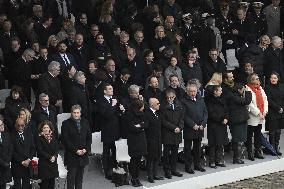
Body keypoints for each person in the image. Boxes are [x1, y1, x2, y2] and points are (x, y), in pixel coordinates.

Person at [97, 84, 124, 180]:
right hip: (107, 130)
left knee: (115, 151)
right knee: (106, 153)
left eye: (112, 88)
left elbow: (117, 113)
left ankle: (115, 168)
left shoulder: (115, 99)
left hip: (116, 129)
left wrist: (121, 110)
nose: (112, 90)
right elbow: (107, 115)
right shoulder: (101, 101)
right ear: (105, 91)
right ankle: (107, 171)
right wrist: (113, 105)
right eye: (109, 89)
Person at [61, 105, 92, 189]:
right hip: (72, 156)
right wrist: (76, 150)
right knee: (71, 180)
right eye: (74, 113)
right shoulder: (65, 124)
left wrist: (86, 149)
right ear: (71, 113)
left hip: (83, 155)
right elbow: (65, 140)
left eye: (78, 113)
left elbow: (89, 137)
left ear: (80, 113)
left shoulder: (85, 122)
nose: (76, 114)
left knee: (79, 179)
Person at [182, 83, 207, 174]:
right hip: (189, 128)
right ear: (187, 92)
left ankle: (197, 165)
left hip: (200, 128)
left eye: (194, 91)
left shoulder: (200, 99)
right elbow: (184, 115)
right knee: (188, 149)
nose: (193, 93)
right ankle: (188, 166)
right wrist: (193, 125)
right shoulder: (184, 101)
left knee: (198, 148)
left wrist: (203, 123)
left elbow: (205, 112)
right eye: (191, 91)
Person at [161, 89, 184, 178]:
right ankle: (167, 171)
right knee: (166, 153)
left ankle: (173, 169)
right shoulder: (163, 106)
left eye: (171, 97)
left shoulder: (179, 105)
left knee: (175, 153)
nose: (169, 99)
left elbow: (182, 118)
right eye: (168, 98)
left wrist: (180, 127)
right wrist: (174, 127)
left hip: (177, 133)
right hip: (167, 133)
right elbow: (163, 121)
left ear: (174, 97)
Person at [245, 73, 268, 160]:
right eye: (256, 78)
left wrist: (265, 111)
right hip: (253, 116)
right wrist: (259, 113)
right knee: (250, 136)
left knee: (258, 134)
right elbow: (250, 104)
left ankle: (257, 151)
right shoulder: (247, 89)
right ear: (251, 80)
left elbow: (265, 100)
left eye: (258, 78)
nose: (258, 80)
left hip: (261, 116)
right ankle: (250, 152)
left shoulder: (260, 88)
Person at [228, 83, 252, 164]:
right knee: (237, 140)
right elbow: (247, 101)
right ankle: (236, 157)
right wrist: (248, 91)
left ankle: (238, 157)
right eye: (243, 90)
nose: (243, 91)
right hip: (237, 121)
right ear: (238, 90)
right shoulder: (234, 97)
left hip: (240, 121)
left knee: (240, 140)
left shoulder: (235, 96)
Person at [205, 85, 229, 168]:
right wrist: (221, 119)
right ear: (215, 91)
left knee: (220, 143)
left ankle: (219, 160)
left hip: (222, 124)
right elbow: (211, 113)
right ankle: (212, 161)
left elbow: (226, 110)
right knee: (213, 144)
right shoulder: (210, 101)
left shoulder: (222, 99)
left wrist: (226, 118)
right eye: (219, 90)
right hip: (214, 124)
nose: (221, 92)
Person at [125, 99, 147, 187]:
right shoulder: (129, 115)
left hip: (141, 139)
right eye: (141, 107)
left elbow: (146, 123)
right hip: (133, 140)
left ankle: (137, 177)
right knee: (134, 159)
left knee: (139, 159)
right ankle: (133, 178)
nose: (143, 108)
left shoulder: (142, 114)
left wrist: (140, 125)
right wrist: (141, 126)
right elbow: (131, 128)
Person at [11, 118, 36, 189]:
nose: (20, 127)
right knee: (17, 186)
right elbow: (12, 152)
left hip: (27, 165)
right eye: (18, 125)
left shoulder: (29, 134)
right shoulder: (11, 136)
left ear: (24, 125)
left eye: (22, 125)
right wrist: (22, 161)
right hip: (17, 165)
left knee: (26, 186)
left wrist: (28, 160)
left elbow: (33, 148)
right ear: (15, 125)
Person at [144, 98, 164, 183]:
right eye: (157, 103)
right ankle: (150, 175)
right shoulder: (147, 114)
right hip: (150, 140)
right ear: (152, 105)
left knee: (157, 157)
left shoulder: (157, 113)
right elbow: (146, 128)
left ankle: (155, 174)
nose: (159, 105)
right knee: (150, 158)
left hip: (158, 139)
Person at [265, 72, 284, 156]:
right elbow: (269, 100)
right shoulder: (267, 87)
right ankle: (271, 148)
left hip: (281, 111)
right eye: (272, 78)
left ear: (278, 79)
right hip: (272, 112)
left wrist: (282, 108)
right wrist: (278, 108)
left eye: (275, 78)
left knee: (278, 131)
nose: (273, 79)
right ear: (270, 79)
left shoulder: (281, 86)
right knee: (272, 131)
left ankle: (276, 147)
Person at [36, 121, 59, 189]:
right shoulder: (39, 138)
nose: (46, 129)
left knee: (52, 185)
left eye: (47, 127)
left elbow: (56, 149)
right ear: (41, 129)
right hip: (44, 165)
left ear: (50, 128)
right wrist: (50, 157)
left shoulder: (53, 137)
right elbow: (40, 151)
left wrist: (54, 156)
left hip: (53, 164)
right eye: (44, 128)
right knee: (45, 185)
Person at [0, 116, 12, 189]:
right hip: (2, 165)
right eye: (0, 125)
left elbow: (10, 148)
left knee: (3, 186)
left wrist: (7, 161)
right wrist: (3, 163)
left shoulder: (6, 135)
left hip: (5, 168)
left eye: (2, 124)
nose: (2, 126)